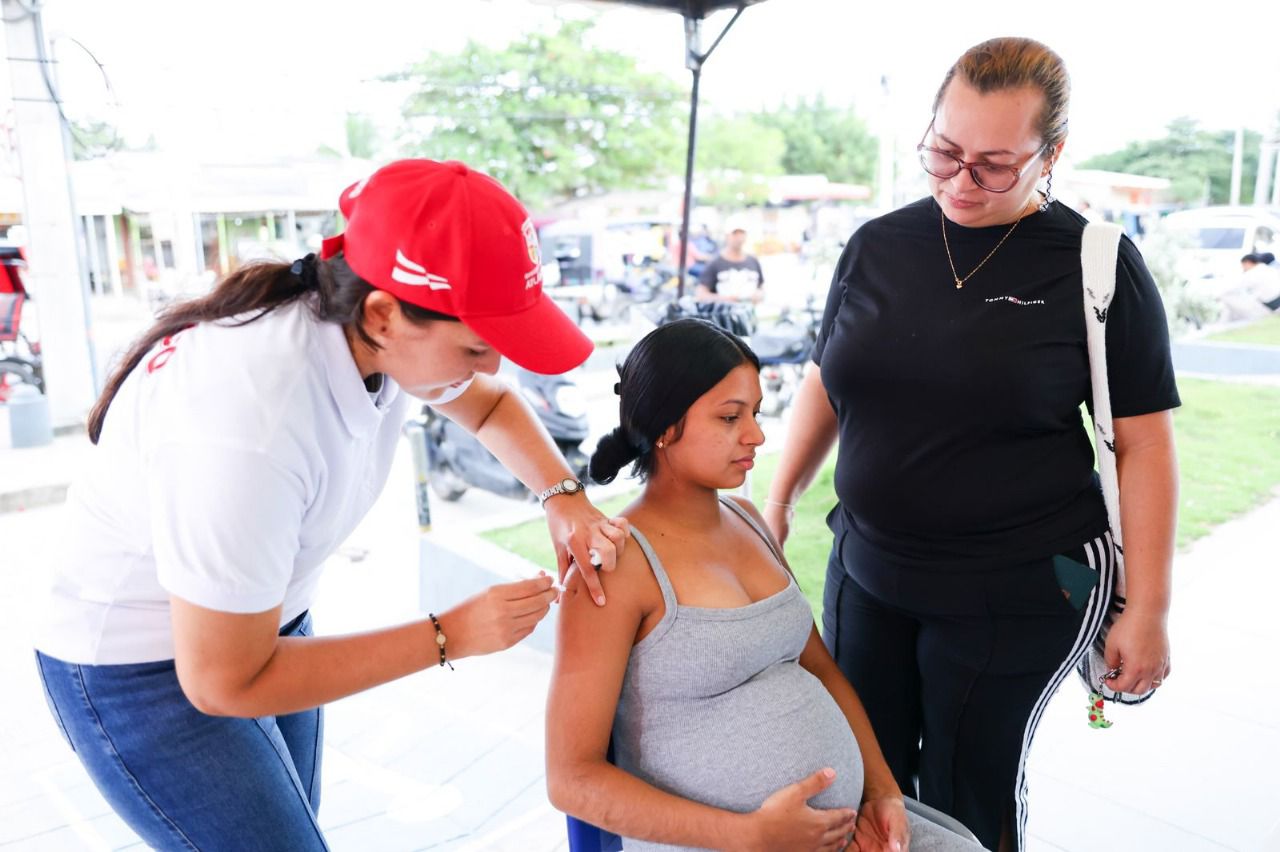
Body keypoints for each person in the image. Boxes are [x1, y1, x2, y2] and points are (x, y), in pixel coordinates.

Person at [33, 159, 629, 851]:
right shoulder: (250, 421)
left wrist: (564, 498)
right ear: (382, 315)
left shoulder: (372, 335)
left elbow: (491, 404)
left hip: (266, 624)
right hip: (141, 665)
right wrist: (452, 634)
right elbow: (225, 681)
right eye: (476, 346)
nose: (493, 364)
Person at [762, 38, 1179, 852]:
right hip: (867, 570)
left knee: (964, 798)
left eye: (993, 165)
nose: (959, 181)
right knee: (862, 778)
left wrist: (1151, 610)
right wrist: (778, 502)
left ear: (1051, 154)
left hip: (1015, 591)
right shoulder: (876, 245)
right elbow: (826, 378)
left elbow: (1146, 447)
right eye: (944, 152)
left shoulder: (1096, 266)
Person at [546, 318, 985, 852]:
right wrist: (749, 835)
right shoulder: (614, 565)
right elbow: (571, 780)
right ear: (664, 426)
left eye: (754, 413)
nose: (756, 435)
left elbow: (821, 668)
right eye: (730, 417)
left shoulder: (749, 520)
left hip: (852, 830)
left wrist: (881, 791)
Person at [697, 220, 765, 304]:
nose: (739, 238)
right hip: (724, 311)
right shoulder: (715, 262)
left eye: (742, 233)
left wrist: (758, 295)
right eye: (735, 234)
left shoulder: (753, 261)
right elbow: (701, 295)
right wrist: (725, 299)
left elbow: (761, 288)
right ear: (727, 236)